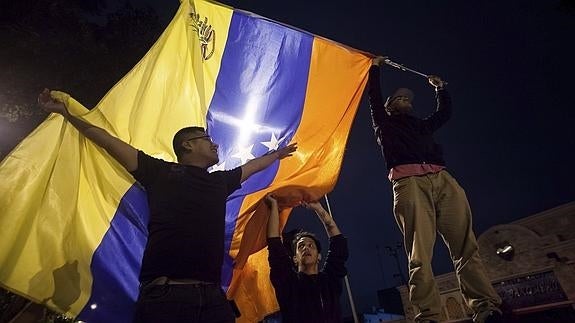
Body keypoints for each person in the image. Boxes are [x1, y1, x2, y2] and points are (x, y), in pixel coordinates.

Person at [38, 89, 297, 323]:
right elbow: (106, 141)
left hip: (213, 299)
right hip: (166, 299)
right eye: (207, 139)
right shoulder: (158, 172)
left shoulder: (221, 181)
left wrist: (277, 154)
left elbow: (253, 167)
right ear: (188, 145)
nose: (214, 144)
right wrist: (66, 114)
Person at [367, 57, 502, 323]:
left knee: (465, 245)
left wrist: (440, 89)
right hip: (410, 183)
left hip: (441, 178)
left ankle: (486, 307)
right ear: (390, 107)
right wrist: (374, 68)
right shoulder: (384, 123)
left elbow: (444, 114)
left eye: (408, 99)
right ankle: (428, 314)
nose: (407, 101)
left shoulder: (421, 125)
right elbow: (373, 97)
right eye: (400, 99)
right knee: (419, 252)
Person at [264, 194, 348, 323]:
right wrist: (274, 206)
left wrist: (319, 209)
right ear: (295, 258)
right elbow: (274, 243)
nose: (306, 248)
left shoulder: (330, 280)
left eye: (311, 245)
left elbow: (338, 244)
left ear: (319, 256)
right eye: (301, 246)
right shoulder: (288, 283)